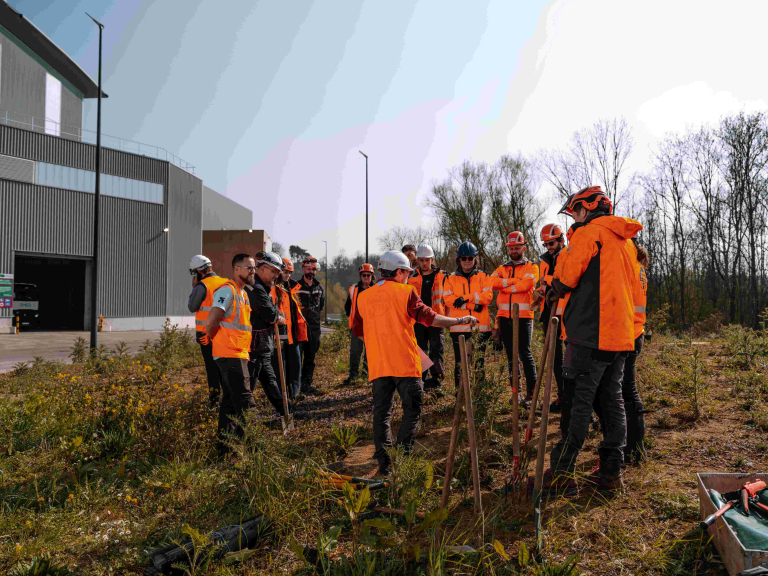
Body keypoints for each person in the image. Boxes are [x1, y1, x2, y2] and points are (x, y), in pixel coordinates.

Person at [543, 185, 642, 495]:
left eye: (574, 212)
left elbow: (566, 277)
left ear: (585, 210)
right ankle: (611, 474)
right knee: (613, 403)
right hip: (621, 336)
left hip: (589, 334)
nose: (574, 218)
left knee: (576, 405)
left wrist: (551, 288)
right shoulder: (625, 242)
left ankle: (561, 476)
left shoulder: (588, 235)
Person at [352, 251, 478, 476]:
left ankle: (385, 464)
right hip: (406, 364)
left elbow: (357, 330)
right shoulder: (406, 292)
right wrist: (460, 320)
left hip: (379, 365)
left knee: (382, 414)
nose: (408, 277)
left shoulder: (363, 296)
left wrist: (376, 344)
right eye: (407, 273)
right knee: (412, 408)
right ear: (399, 272)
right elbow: (432, 318)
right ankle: (402, 456)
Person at [206, 254, 255, 454]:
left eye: (254, 268)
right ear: (236, 269)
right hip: (229, 355)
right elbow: (211, 322)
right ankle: (256, 452)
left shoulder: (243, 293)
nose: (253, 272)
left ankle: (222, 452)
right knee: (246, 403)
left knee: (229, 405)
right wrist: (220, 342)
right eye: (249, 268)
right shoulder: (227, 291)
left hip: (238, 354)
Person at [490, 232, 539, 403]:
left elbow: (527, 285)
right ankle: (515, 393)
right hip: (504, 316)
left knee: (525, 353)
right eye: (511, 248)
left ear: (524, 248)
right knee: (511, 356)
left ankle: (532, 395)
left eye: (517, 248)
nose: (514, 251)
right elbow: (492, 282)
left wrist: (505, 285)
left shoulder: (532, 267)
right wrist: (513, 282)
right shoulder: (502, 268)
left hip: (524, 316)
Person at [245, 251, 292, 417]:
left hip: (262, 346)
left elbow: (272, 313)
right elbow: (271, 314)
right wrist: (279, 316)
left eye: (278, 273)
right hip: (253, 347)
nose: (276, 276)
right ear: (263, 268)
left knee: (271, 382)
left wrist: (277, 316)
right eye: (274, 271)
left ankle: (286, 412)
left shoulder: (262, 288)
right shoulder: (256, 290)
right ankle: (242, 422)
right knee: (247, 387)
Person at [443, 241, 494, 388]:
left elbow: (488, 297)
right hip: (459, 328)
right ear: (458, 259)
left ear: (475, 259)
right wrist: (474, 304)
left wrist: (465, 299)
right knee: (460, 365)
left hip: (480, 328)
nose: (467, 261)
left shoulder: (484, 276)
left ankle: (479, 398)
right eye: (463, 258)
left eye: (470, 258)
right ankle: (460, 397)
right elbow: (448, 300)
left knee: (479, 364)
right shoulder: (450, 278)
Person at [532, 224, 566, 412]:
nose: (548, 247)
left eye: (551, 243)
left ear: (561, 240)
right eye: (545, 244)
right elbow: (544, 284)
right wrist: (539, 294)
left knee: (570, 360)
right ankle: (562, 396)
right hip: (548, 312)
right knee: (555, 359)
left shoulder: (569, 256)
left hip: (565, 313)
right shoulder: (544, 261)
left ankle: (574, 400)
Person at [188, 255, 228, 408]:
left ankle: (214, 402)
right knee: (224, 368)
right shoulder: (226, 283)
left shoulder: (201, 286)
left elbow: (192, 307)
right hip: (224, 334)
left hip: (206, 336)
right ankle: (228, 400)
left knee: (212, 370)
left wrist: (194, 289)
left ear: (198, 271)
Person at [623, 245, 649, 465]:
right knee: (627, 391)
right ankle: (634, 448)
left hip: (627, 334)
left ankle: (635, 449)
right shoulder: (639, 267)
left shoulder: (629, 265)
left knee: (628, 392)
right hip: (635, 332)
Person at [408, 244, 447, 392]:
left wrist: (446, 317)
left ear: (432, 259)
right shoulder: (412, 277)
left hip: (436, 319)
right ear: (417, 260)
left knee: (437, 351)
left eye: (427, 260)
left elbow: (447, 299)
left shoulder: (442, 276)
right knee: (421, 351)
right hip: (418, 321)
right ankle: (421, 381)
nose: (424, 263)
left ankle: (436, 382)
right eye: (421, 260)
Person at [271, 258, 308, 399]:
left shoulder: (291, 289)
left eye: (290, 272)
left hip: (293, 336)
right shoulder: (274, 290)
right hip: (279, 336)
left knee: (295, 366)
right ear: (279, 271)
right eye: (285, 272)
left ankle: (294, 394)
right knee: (280, 369)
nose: (288, 275)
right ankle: (282, 397)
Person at [292, 255, 325, 396]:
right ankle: (294, 387)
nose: (311, 271)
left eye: (313, 269)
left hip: (314, 328)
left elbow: (321, 306)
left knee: (310, 358)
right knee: (297, 359)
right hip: (299, 328)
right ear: (303, 268)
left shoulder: (320, 287)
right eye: (308, 268)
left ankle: (307, 384)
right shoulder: (296, 286)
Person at [343, 263, 375, 385]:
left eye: (368, 275)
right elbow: (347, 306)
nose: (366, 278)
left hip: (372, 326)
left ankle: (366, 375)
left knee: (370, 353)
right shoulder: (354, 289)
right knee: (355, 352)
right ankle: (353, 376)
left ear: (372, 276)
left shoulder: (377, 289)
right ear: (360, 276)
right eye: (364, 275)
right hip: (357, 326)